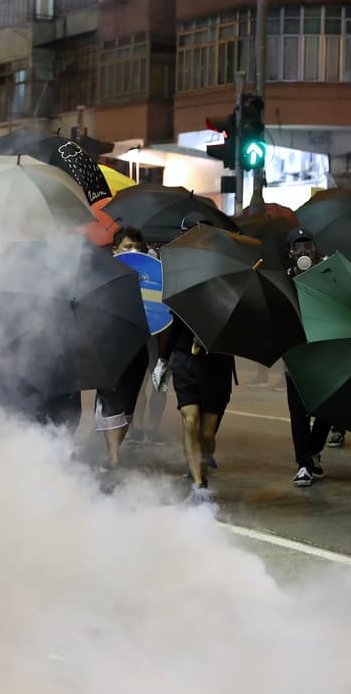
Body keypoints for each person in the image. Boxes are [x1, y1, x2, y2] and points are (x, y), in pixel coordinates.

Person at [152, 213, 234, 502]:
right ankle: (199, 484)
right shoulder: (176, 271)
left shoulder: (228, 272)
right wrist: (163, 360)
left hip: (217, 360)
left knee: (208, 431)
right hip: (186, 358)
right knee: (190, 420)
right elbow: (173, 320)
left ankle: (203, 463)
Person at [93, 226, 152, 466]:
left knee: (128, 406)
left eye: (138, 247)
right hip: (108, 348)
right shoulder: (101, 275)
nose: (134, 252)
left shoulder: (150, 279)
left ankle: (115, 449)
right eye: (128, 247)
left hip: (137, 350)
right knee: (110, 399)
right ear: (116, 249)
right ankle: (113, 456)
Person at [284, 228, 333, 487]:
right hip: (296, 356)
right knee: (298, 413)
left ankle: (313, 449)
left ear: (315, 249)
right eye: (298, 247)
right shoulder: (284, 281)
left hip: (325, 354)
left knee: (329, 408)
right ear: (290, 252)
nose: (303, 251)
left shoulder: (327, 275)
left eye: (308, 246)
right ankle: (304, 464)